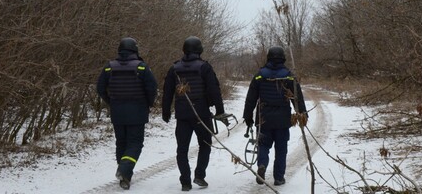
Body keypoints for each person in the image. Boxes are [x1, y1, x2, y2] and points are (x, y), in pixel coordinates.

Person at [162, 36, 230, 192]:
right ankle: (199, 175)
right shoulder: (204, 67)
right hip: (202, 114)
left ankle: (185, 181)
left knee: (182, 149)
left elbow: (167, 93)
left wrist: (166, 112)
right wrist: (220, 110)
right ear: (199, 50)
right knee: (205, 145)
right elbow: (214, 91)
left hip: (182, 115)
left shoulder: (174, 68)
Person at [97, 37, 158, 190]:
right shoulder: (142, 67)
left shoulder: (109, 67)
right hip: (137, 112)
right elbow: (152, 88)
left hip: (117, 112)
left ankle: (125, 176)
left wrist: (111, 101)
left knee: (121, 143)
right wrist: (148, 103)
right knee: (135, 144)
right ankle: (124, 169)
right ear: (135, 50)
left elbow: (100, 88)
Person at [242, 46, 307, 187]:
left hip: (263, 118)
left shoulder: (260, 75)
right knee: (281, 149)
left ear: (268, 58)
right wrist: (302, 114)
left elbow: (250, 98)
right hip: (282, 119)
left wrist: (248, 117)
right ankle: (279, 178)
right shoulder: (289, 75)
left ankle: (262, 165)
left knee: (263, 145)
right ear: (283, 58)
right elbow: (297, 98)